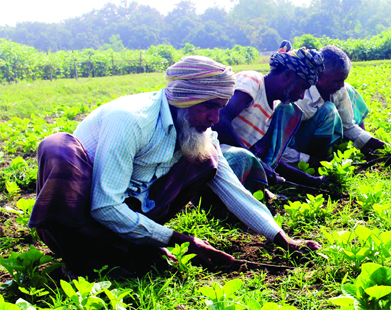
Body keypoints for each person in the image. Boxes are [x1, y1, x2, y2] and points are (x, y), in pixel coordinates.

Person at [28, 56, 319, 277]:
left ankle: (130, 247)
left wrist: (281, 238)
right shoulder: (131, 120)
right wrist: (179, 239)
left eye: (221, 107)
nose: (216, 118)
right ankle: (83, 255)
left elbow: (232, 190)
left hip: (131, 207)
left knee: (208, 160)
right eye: (210, 106)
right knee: (58, 146)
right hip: (82, 215)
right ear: (185, 99)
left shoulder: (200, 131)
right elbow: (104, 206)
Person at [212, 47, 327, 187]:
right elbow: (218, 121)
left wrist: (311, 181)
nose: (302, 96)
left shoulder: (273, 109)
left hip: (227, 160)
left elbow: (269, 159)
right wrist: (258, 164)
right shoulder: (253, 82)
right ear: (288, 75)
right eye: (303, 87)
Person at [281, 44, 390, 168]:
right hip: (293, 146)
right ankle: (315, 162)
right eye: (337, 81)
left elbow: (348, 126)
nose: (341, 85)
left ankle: (361, 149)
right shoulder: (300, 98)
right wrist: (310, 160)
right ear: (319, 77)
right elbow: (278, 147)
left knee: (349, 90)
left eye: (343, 79)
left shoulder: (338, 89)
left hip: (311, 140)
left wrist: (387, 148)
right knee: (328, 111)